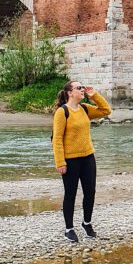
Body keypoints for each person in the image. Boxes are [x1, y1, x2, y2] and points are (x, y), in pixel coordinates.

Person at [52, 81, 112, 242]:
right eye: (79, 88)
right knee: (70, 194)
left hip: (88, 157)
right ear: (70, 92)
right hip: (70, 160)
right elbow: (57, 139)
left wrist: (95, 96)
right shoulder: (62, 112)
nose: (82, 90)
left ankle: (87, 223)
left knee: (90, 192)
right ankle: (69, 229)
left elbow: (106, 110)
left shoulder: (85, 109)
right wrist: (60, 162)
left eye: (82, 87)